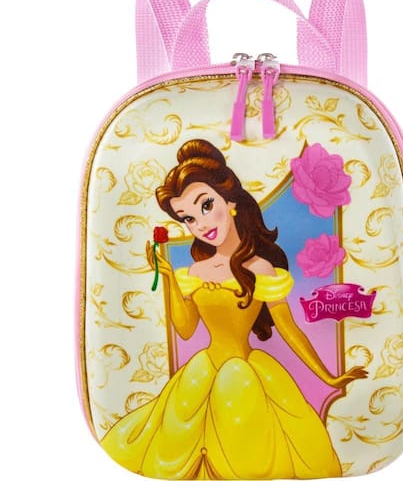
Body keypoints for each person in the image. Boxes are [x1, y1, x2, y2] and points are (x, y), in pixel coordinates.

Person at [101, 139, 367, 479]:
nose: (200, 224)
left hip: (244, 370)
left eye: (206, 205)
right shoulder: (196, 271)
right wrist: (168, 279)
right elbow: (185, 329)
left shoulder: (260, 268)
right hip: (202, 371)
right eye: (188, 218)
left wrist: (327, 376)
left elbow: (289, 329)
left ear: (231, 201)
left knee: (239, 397)